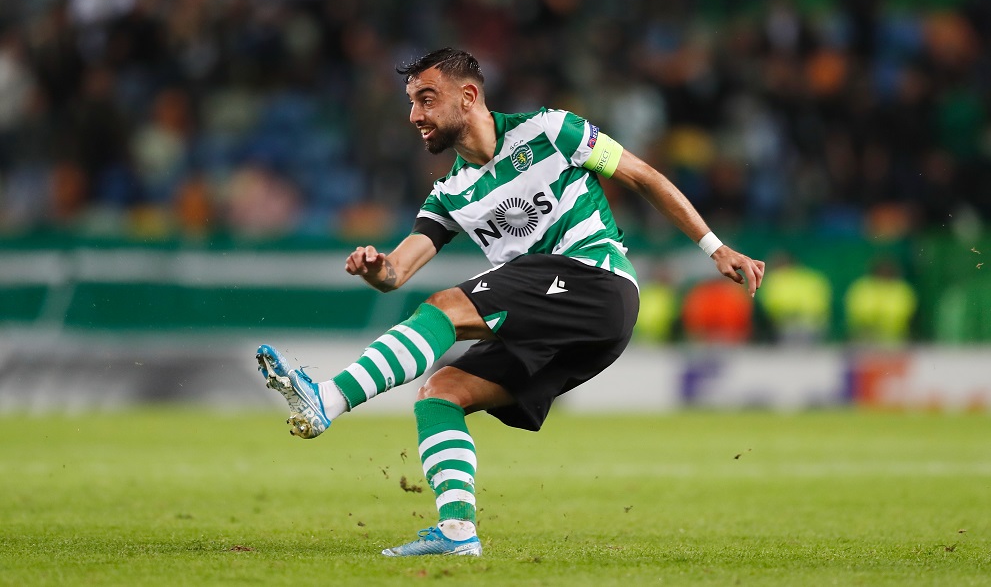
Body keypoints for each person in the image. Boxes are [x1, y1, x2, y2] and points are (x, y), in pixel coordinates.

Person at [256, 48, 765, 557]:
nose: (415, 116)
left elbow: (643, 176)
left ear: (469, 96)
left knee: (447, 307)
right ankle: (457, 534)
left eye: (426, 99)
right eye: (411, 103)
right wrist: (376, 269)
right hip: (558, 324)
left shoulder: (551, 130)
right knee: (441, 393)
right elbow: (397, 271)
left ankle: (330, 398)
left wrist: (714, 247)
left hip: (596, 282)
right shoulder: (449, 192)